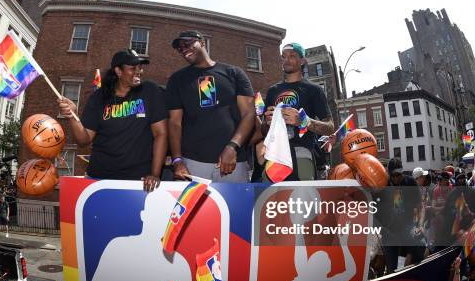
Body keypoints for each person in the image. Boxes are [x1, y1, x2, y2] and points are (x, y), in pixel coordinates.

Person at [59, 49, 168, 192]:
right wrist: (73, 116)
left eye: (140, 67)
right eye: (133, 68)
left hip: (138, 180)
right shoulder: (99, 97)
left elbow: (161, 134)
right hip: (100, 179)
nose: (139, 71)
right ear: (118, 71)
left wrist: (154, 174)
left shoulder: (150, 91)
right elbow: (84, 140)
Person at [166, 30, 255, 182]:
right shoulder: (177, 80)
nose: (184, 49)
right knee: (195, 207)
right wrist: (177, 161)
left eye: (187, 43)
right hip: (193, 163)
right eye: (180, 48)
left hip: (233, 161)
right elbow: (174, 123)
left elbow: (249, 114)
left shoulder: (234, 73)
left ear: (202, 42)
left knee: (234, 206)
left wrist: (233, 147)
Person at [263, 43, 334, 181]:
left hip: (302, 153)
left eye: (292, 56)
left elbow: (330, 127)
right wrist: (267, 123)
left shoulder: (314, 90)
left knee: (302, 200)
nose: (286, 60)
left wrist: (304, 121)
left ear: (302, 61)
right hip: (275, 155)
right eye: (283, 57)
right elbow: (263, 131)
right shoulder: (273, 91)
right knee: (275, 201)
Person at [377, 158, 423, 272]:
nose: (397, 178)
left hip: (407, 226)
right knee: (392, 267)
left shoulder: (411, 183)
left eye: (399, 175)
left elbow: (420, 207)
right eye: (393, 175)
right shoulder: (383, 186)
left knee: (420, 246)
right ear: (389, 174)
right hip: (389, 230)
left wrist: (420, 225)